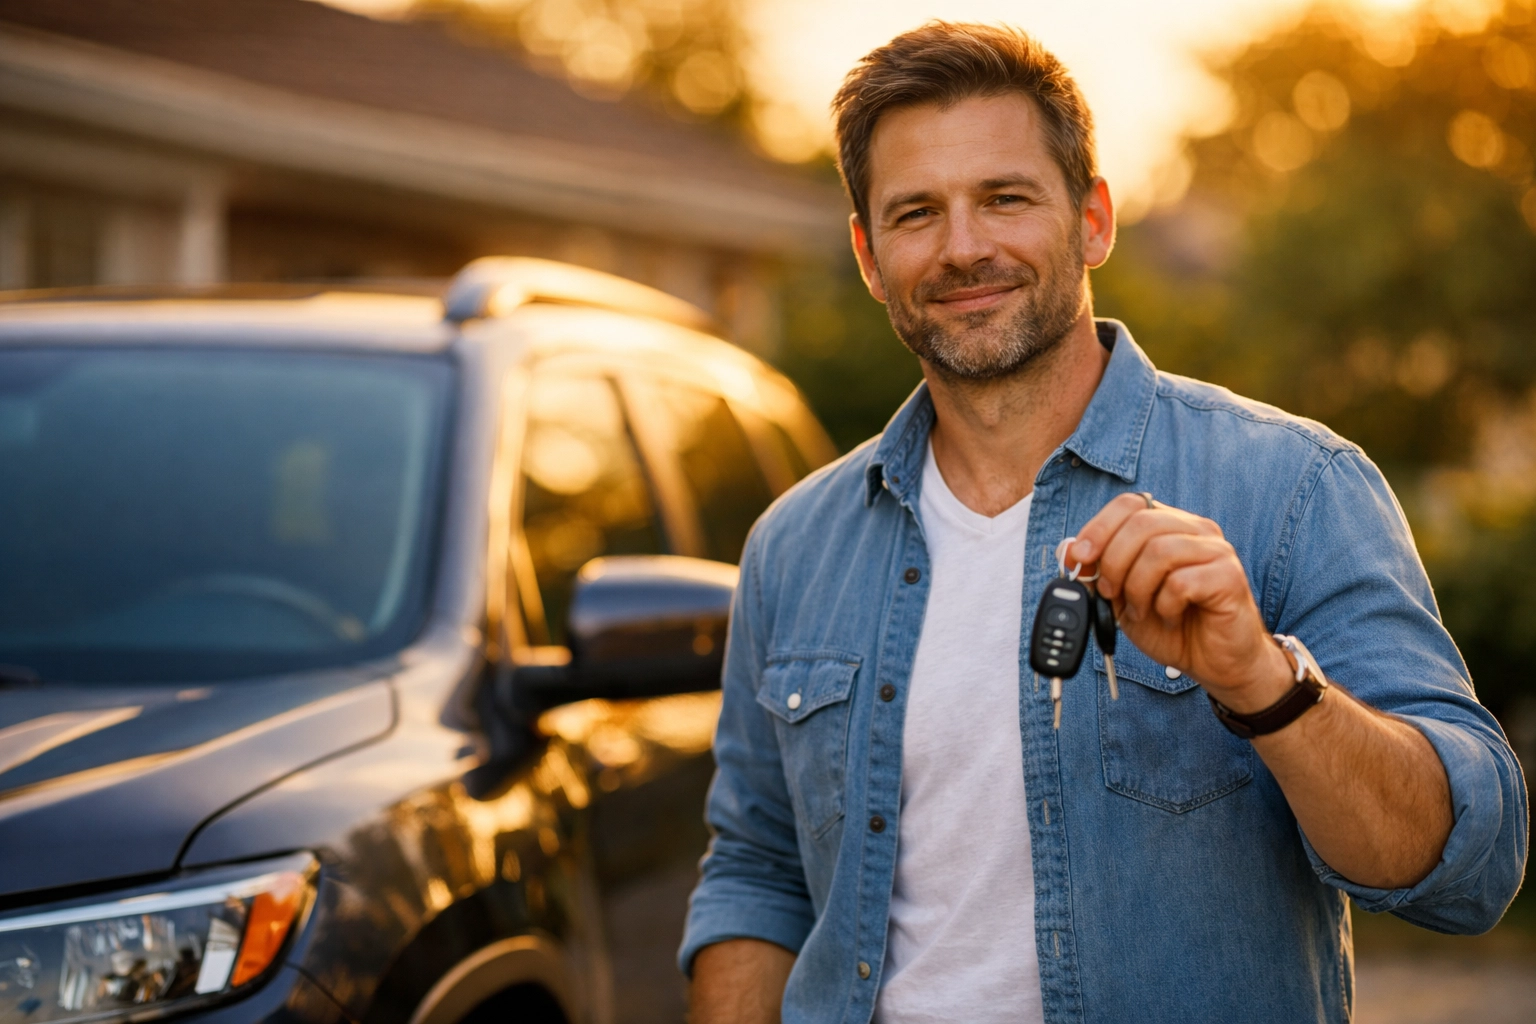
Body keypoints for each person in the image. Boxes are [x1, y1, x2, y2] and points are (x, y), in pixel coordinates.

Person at [680, 21, 1527, 1024]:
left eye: (1005, 198)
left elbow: (1468, 868)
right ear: (869, 254)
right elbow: (759, 868)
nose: (963, 247)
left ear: (1093, 219)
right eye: (917, 213)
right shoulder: (794, 546)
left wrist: (1263, 680)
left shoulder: (1292, 486)